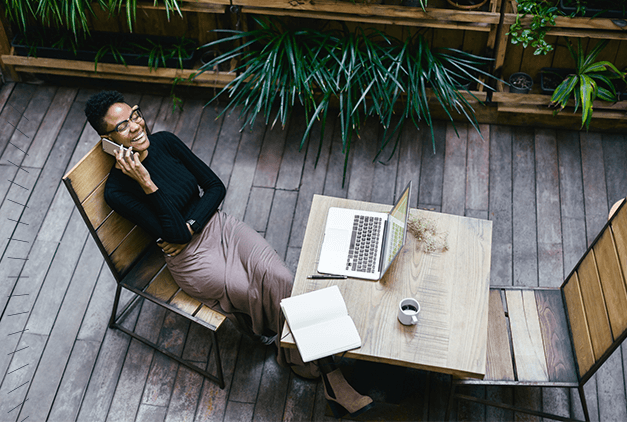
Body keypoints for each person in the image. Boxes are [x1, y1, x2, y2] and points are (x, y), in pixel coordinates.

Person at [84, 91, 373, 418]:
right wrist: (148, 183)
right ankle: (329, 372)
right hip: (190, 259)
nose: (136, 126)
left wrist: (191, 223)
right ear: (107, 140)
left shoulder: (165, 141)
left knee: (281, 278)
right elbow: (175, 235)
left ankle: (302, 358)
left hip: (221, 228)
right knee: (246, 289)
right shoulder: (117, 192)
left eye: (136, 114)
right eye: (123, 126)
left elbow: (215, 186)